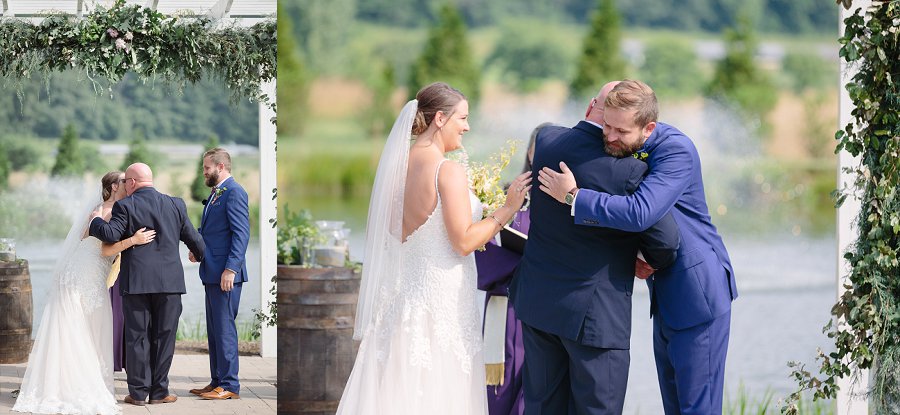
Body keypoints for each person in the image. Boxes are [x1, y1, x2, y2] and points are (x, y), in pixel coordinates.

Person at [538, 79, 737, 415]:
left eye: (621, 131)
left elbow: (640, 212)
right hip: (666, 293)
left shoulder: (676, 150)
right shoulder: (626, 144)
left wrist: (574, 196)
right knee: (674, 405)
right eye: (607, 126)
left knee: (698, 409)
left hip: (697, 291)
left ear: (649, 128)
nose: (610, 137)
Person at [336, 82, 532, 415]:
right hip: (443, 303)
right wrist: (508, 209)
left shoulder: (397, 167)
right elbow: (464, 242)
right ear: (439, 119)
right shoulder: (447, 170)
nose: (467, 127)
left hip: (404, 303)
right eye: (463, 118)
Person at [13, 171, 156, 415]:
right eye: (123, 180)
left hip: (91, 274)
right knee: (77, 328)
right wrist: (133, 240)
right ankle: (70, 386)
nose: (127, 183)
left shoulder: (104, 209)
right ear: (113, 186)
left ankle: (65, 381)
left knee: (85, 328)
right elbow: (104, 250)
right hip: (83, 273)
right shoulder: (107, 211)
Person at [90, 163, 205, 406]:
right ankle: (160, 392)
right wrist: (202, 256)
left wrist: (95, 222)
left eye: (125, 182)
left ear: (131, 182)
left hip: (137, 284)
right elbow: (193, 237)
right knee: (164, 337)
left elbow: (109, 234)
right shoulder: (176, 204)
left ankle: (139, 394)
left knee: (137, 337)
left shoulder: (125, 205)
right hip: (170, 284)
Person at [474, 122, 549, 415]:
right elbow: (481, 251)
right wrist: (530, 262)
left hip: (546, 309)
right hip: (507, 310)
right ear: (529, 151)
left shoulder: (570, 199)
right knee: (501, 389)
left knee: (539, 389)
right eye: (538, 147)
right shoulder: (507, 196)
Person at [187, 148, 250, 400]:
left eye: (206, 168)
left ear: (221, 167)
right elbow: (214, 232)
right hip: (211, 271)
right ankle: (216, 381)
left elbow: (241, 234)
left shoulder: (234, 192)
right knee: (214, 330)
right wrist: (198, 251)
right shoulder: (216, 194)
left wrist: (231, 269)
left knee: (224, 330)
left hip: (226, 275)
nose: (204, 172)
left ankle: (230, 386)